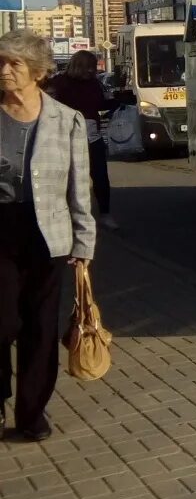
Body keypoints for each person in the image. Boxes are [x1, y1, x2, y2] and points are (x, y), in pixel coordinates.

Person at [0, 30, 96, 442]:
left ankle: (31, 413)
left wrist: (83, 243)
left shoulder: (65, 119)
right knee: (2, 323)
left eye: (14, 64)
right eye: (1, 62)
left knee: (40, 328)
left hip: (48, 234)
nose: (4, 71)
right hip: (0, 230)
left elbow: (80, 187)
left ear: (37, 72)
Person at [44, 50, 120, 230]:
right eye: (88, 67)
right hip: (65, 137)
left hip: (91, 136)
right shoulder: (59, 83)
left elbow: (99, 104)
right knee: (68, 179)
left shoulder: (94, 84)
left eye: (93, 68)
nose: (91, 71)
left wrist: (117, 103)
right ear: (78, 66)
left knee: (100, 176)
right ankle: (66, 216)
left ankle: (105, 214)